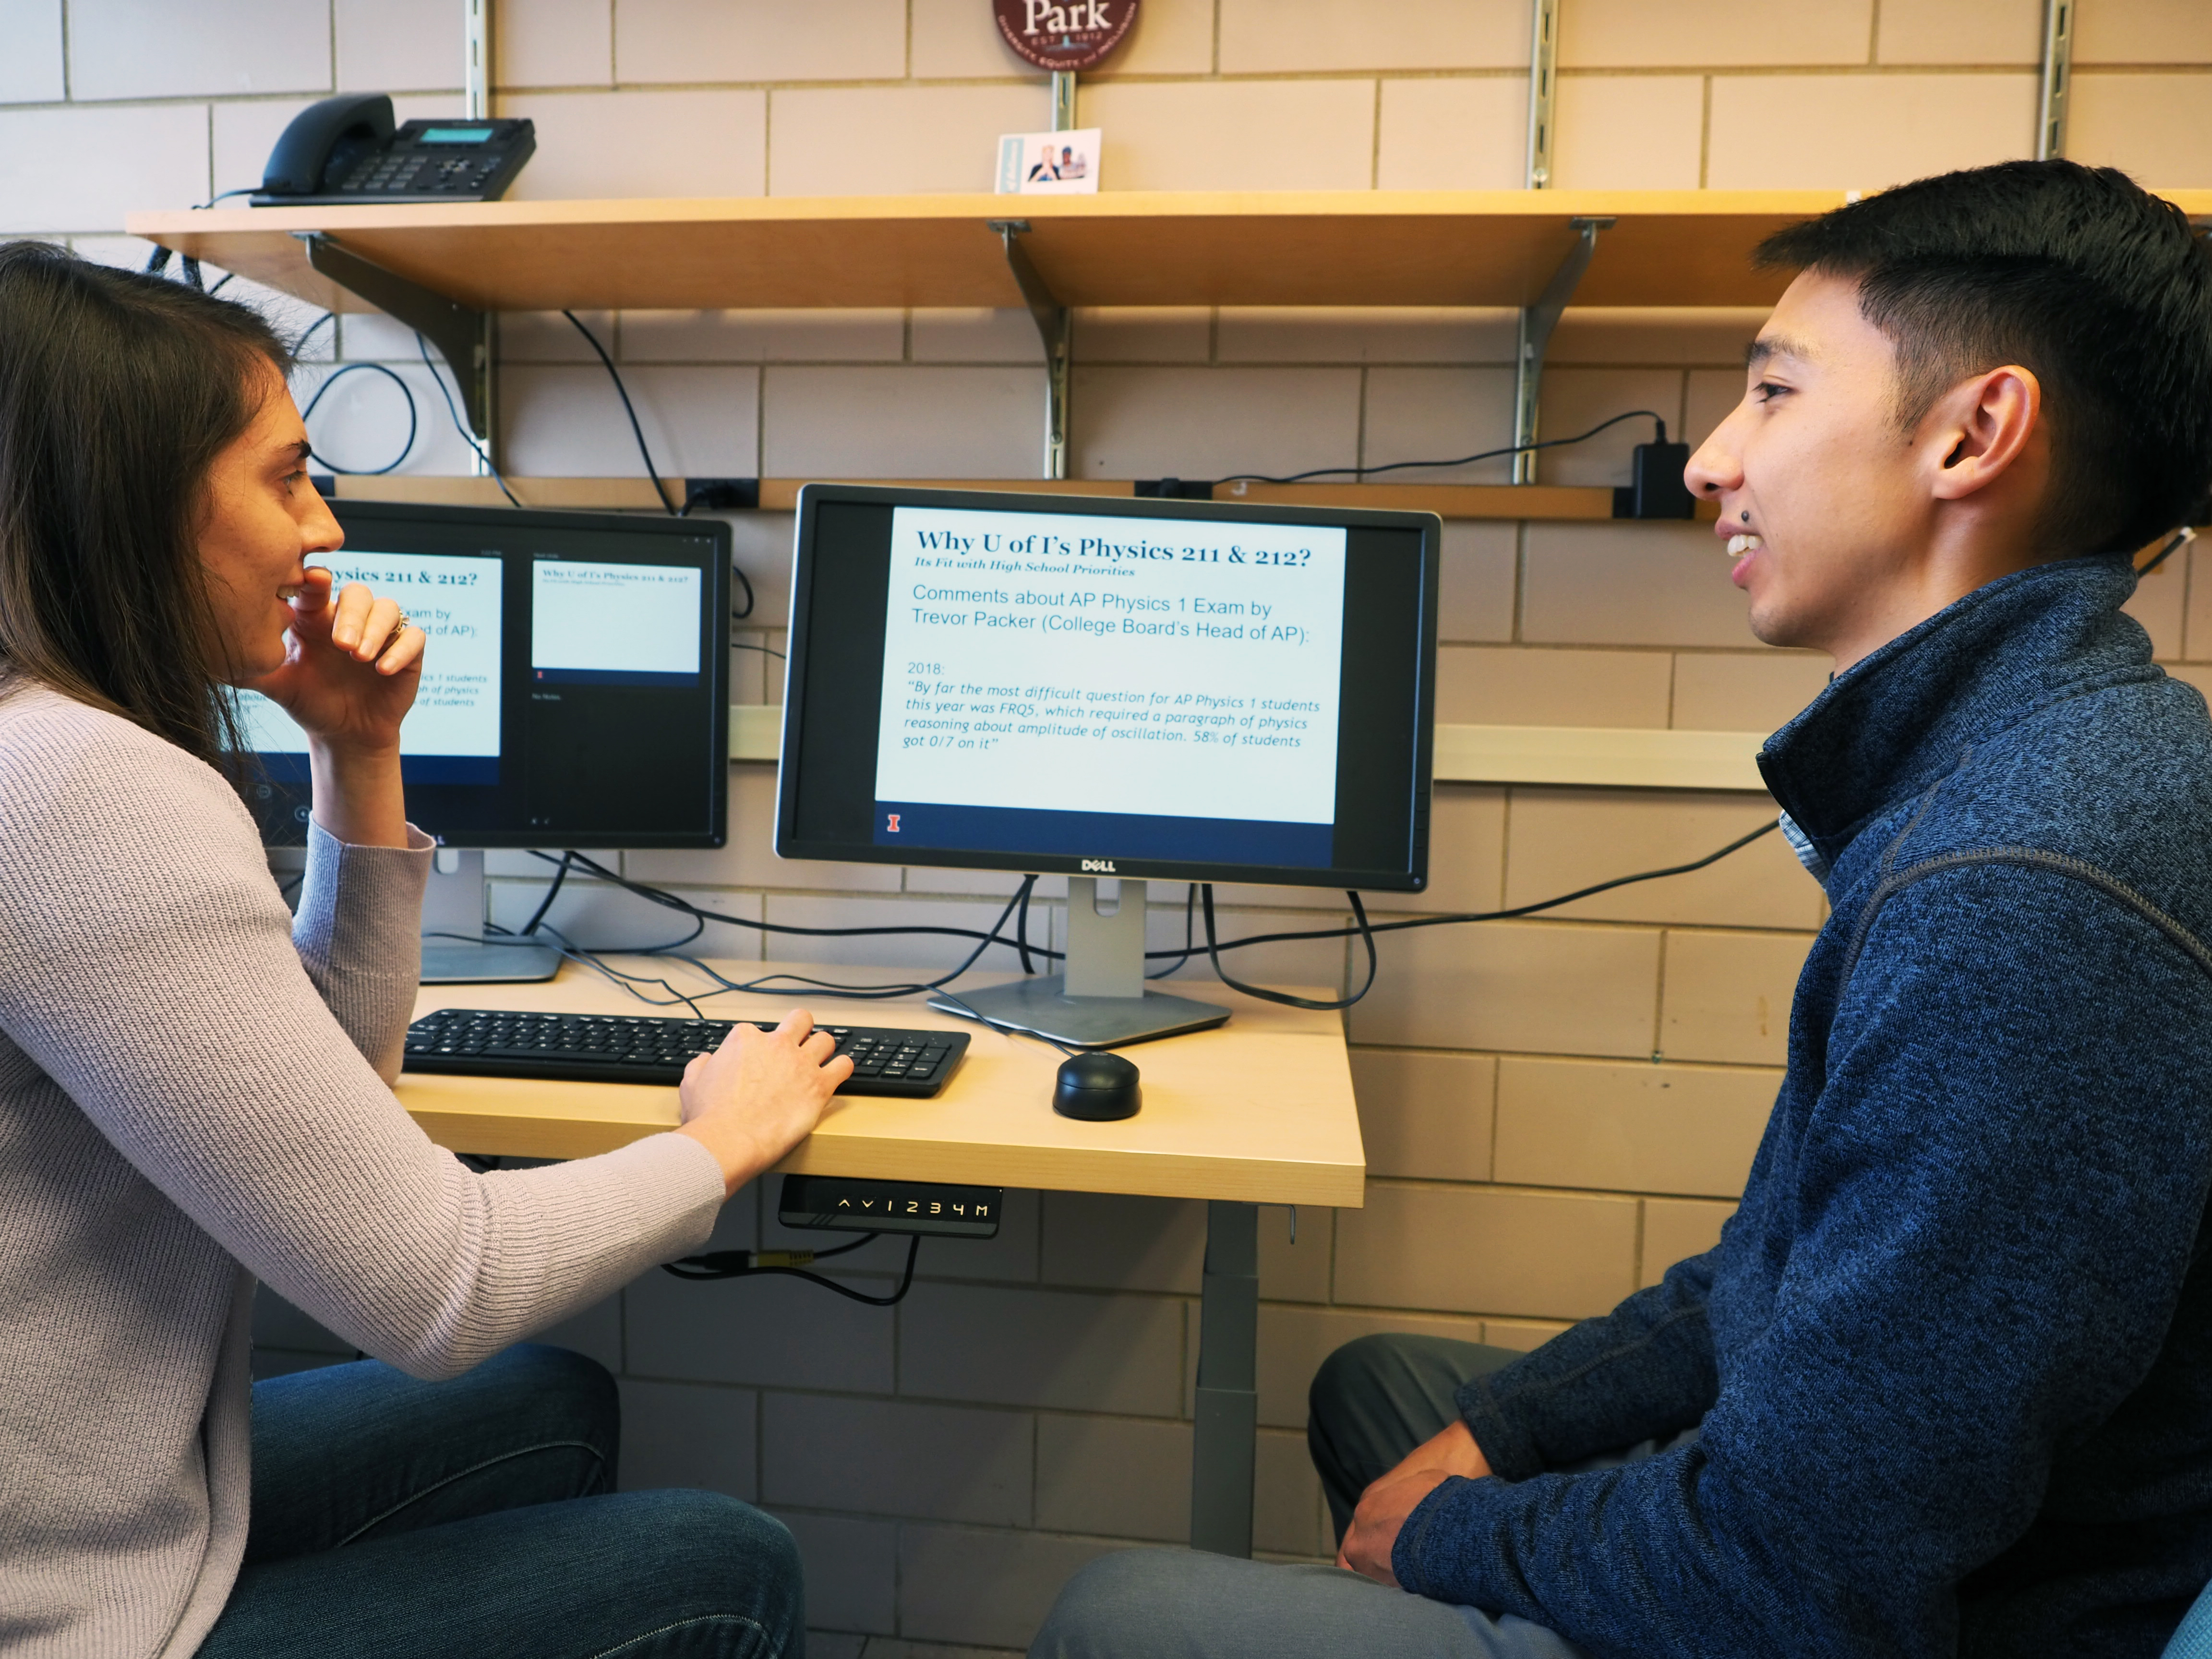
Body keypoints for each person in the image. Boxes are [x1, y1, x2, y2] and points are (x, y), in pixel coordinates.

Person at [1031, 159, 2212, 1659]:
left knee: (1117, 1617)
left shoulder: (2023, 893)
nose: (1713, 460)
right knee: (1393, 1399)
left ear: (1975, 434)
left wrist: (1455, 1531)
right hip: (1867, 1549)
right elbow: (1773, 1275)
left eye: (1773, 394)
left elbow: (1799, 1582)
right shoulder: (2022, 773)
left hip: (1901, 1624)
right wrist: (1503, 1441)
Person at [0, 242, 848, 1658]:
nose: (322, 527)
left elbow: (325, 1096)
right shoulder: (80, 789)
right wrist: (724, 1142)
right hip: (69, 1611)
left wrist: (358, 754)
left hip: (106, 1510)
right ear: (133, 504)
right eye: (283, 476)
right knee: (724, 1568)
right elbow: (445, 1290)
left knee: (546, 1403)